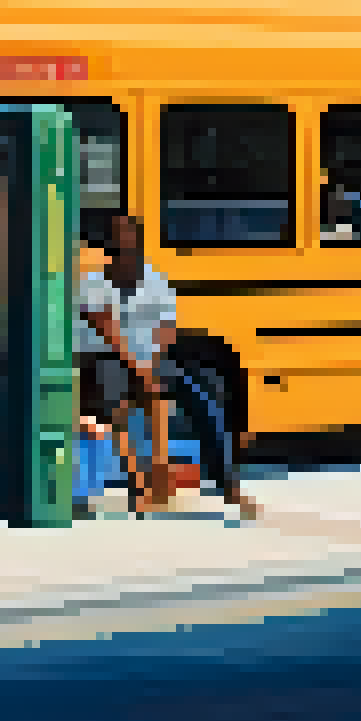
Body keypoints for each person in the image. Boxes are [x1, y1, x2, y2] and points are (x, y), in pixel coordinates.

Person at [79, 214, 257, 519]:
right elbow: (108, 333)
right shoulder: (94, 283)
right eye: (121, 246)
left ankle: (227, 483)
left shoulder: (154, 281)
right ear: (110, 250)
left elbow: (166, 330)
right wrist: (141, 368)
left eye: (132, 246)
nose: (128, 253)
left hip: (150, 361)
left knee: (201, 399)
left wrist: (153, 363)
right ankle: (141, 487)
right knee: (119, 405)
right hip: (105, 361)